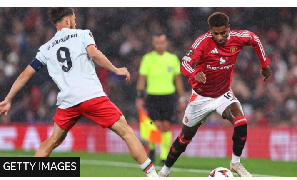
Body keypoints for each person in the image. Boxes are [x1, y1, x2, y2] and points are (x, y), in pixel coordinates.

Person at [0, 7, 158, 177]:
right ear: (67, 21)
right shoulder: (83, 34)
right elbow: (94, 54)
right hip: (91, 95)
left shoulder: (46, 48)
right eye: (74, 19)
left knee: (53, 140)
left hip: (68, 101)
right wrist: (116, 69)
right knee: (127, 132)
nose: (75, 22)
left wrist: (8, 98)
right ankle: (153, 175)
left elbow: (25, 75)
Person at [159, 12, 272, 177]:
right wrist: (193, 74)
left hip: (223, 94)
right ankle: (164, 171)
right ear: (210, 31)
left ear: (229, 29)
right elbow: (184, 63)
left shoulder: (238, 38)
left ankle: (235, 163)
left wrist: (265, 65)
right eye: (215, 33)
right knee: (184, 138)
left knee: (241, 122)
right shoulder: (202, 42)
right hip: (200, 97)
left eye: (223, 33)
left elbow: (254, 39)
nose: (219, 37)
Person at [136, 33, 186, 165]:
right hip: (153, 96)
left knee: (166, 126)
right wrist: (140, 96)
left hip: (168, 96)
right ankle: (152, 150)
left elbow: (178, 80)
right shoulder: (147, 59)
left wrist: (181, 98)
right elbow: (142, 79)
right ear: (153, 44)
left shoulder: (173, 59)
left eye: (162, 42)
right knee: (155, 124)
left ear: (166, 43)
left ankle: (164, 156)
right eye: (157, 42)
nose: (160, 45)